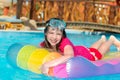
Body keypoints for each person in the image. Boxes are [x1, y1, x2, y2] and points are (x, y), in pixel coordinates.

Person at [40, 18, 120, 75]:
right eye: (51, 33)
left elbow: (69, 56)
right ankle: (102, 40)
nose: (54, 37)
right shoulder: (44, 44)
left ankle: (111, 40)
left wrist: (47, 64)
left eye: (58, 34)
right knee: (90, 49)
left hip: (85, 56)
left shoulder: (65, 42)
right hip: (79, 49)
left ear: (62, 35)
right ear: (46, 33)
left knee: (98, 53)